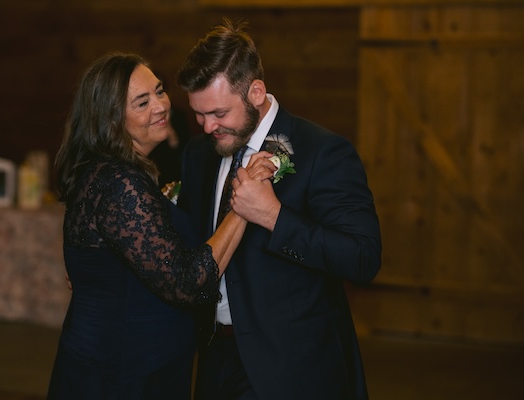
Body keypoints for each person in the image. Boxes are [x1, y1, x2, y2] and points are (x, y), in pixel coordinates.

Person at [47, 52, 274, 400]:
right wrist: (243, 206)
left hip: (130, 364)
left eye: (159, 90)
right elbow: (187, 283)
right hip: (123, 374)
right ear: (111, 120)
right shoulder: (119, 183)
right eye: (142, 102)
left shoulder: (111, 172)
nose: (161, 105)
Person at [176, 19, 382, 400]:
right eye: (198, 114)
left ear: (256, 91)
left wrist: (274, 216)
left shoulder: (322, 151)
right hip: (214, 360)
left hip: (295, 369)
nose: (207, 127)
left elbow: (362, 258)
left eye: (219, 113)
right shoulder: (197, 155)